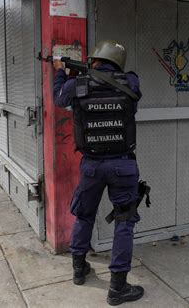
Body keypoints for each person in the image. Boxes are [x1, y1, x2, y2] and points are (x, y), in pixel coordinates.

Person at [53, 40, 144, 306]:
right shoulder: (130, 83)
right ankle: (117, 289)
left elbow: (60, 98)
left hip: (91, 165)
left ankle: (79, 269)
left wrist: (61, 70)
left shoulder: (77, 85)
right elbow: (133, 90)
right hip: (123, 165)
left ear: (94, 61)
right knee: (124, 223)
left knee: (84, 215)